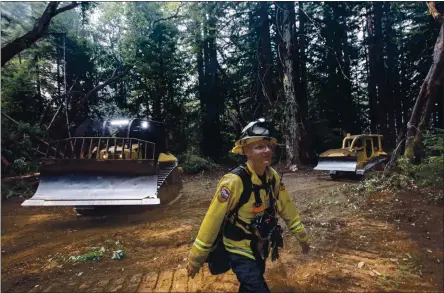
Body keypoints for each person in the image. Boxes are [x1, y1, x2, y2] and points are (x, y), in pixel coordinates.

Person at [186, 118, 310, 292]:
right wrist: (196, 259)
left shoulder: (272, 177)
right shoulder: (233, 182)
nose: (267, 150)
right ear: (246, 151)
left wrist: (302, 237)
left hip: (260, 246)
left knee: (250, 286)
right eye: (259, 147)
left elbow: (287, 208)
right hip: (238, 248)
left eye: (268, 146)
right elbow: (212, 221)